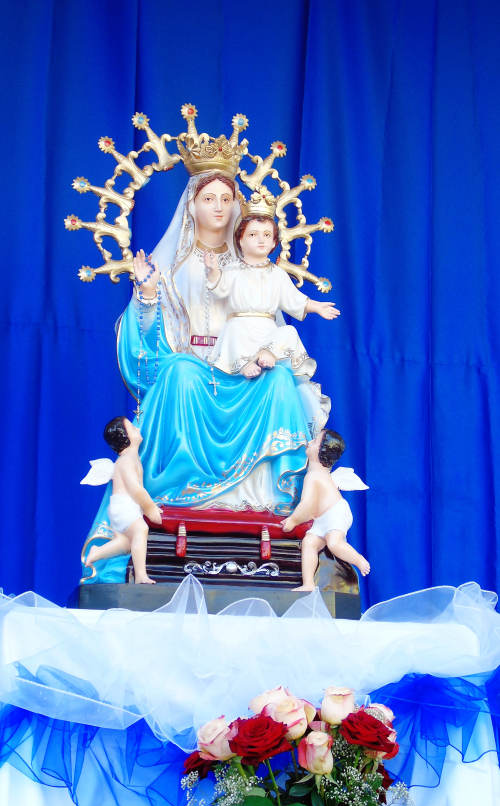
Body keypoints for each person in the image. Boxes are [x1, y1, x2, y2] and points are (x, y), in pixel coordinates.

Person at [82, 169, 330, 584]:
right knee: (179, 372)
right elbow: (144, 348)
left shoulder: (256, 266)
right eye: (208, 198)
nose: (218, 207)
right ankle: (181, 490)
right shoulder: (170, 265)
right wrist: (147, 295)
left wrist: (267, 354)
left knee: (280, 381)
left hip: (245, 367)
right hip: (194, 371)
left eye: (226, 199)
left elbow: (276, 322)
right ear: (191, 206)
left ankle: (267, 498)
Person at [205, 214, 340, 378]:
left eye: (267, 235)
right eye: (253, 234)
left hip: (266, 329)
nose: (261, 240)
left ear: (274, 242)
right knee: (234, 329)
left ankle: (267, 353)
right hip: (240, 325)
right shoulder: (232, 270)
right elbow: (219, 289)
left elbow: (294, 300)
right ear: (241, 241)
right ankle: (243, 363)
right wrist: (213, 271)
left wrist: (317, 307)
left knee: (289, 331)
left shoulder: (277, 274)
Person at [281, 429, 370, 590]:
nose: (309, 442)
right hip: (323, 518)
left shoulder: (314, 476)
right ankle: (308, 583)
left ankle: (359, 560)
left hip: (336, 513)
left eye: (315, 441)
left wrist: (293, 520)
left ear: (322, 451)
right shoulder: (316, 474)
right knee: (309, 542)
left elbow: (307, 505)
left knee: (334, 543)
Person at [81, 417, 162, 584]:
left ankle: (97, 552)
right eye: (132, 428)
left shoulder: (130, 458)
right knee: (141, 529)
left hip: (121, 507)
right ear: (124, 437)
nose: (137, 429)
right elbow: (135, 488)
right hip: (124, 506)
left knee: (125, 544)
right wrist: (150, 508)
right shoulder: (127, 460)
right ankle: (141, 575)